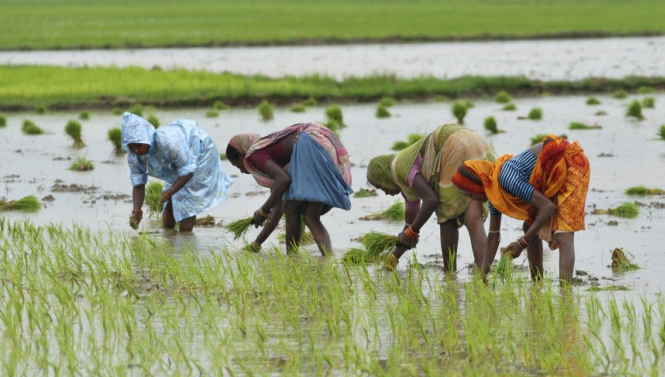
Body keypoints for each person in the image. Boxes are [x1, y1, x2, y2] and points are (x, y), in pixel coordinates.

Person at [451, 134, 590, 283]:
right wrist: (482, 277)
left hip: (569, 163)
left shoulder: (506, 178)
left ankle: (565, 295)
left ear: (476, 184)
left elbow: (547, 207)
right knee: (529, 226)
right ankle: (537, 283)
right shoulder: (494, 193)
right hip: (549, 176)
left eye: (470, 193)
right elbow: (493, 236)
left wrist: (522, 243)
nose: (472, 198)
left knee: (563, 236)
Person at [366, 124, 495, 271]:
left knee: (446, 215)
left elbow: (431, 200)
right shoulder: (408, 187)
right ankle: (484, 276)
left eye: (380, 187)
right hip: (478, 142)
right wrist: (394, 258)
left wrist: (411, 231)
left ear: (383, 177)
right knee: (474, 217)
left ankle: (449, 274)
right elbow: (411, 225)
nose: (386, 192)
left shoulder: (399, 167)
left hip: (454, 145)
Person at [226, 122, 352, 255]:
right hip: (321, 143)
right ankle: (328, 259)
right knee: (310, 215)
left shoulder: (255, 154)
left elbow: (284, 180)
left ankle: (292, 259)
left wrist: (263, 210)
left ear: (241, 155)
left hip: (310, 144)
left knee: (292, 208)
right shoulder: (271, 156)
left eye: (237, 165)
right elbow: (277, 209)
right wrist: (256, 244)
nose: (240, 170)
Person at [122, 112, 233, 232]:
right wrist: (137, 211)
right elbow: (138, 184)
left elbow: (188, 171)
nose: (136, 150)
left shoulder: (169, 144)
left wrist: (169, 192)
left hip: (199, 149)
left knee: (188, 198)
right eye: (131, 146)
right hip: (178, 164)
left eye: (138, 145)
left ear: (148, 139)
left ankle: (185, 240)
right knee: (173, 198)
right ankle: (169, 238)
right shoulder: (134, 156)